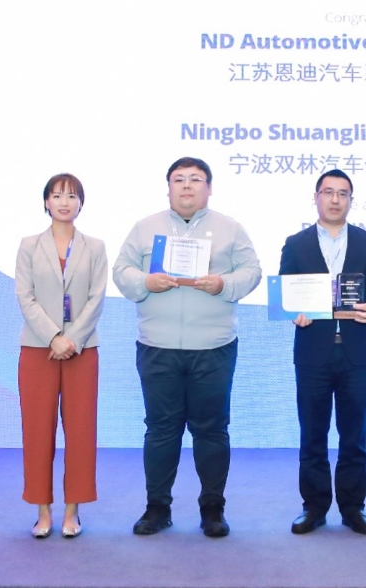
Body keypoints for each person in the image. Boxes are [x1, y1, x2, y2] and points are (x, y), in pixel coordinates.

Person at [113, 157, 261, 538]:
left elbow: (252, 271)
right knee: (160, 430)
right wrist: (146, 281)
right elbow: (121, 270)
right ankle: (156, 508)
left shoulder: (230, 228)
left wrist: (223, 284)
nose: (187, 186)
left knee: (211, 431)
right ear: (168, 188)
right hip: (157, 346)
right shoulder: (145, 227)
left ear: (209, 188)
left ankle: (213, 509)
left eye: (196, 179)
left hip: (213, 348)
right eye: (178, 179)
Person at [278, 169, 366, 535]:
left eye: (343, 193)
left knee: (354, 435)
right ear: (316, 197)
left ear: (350, 201)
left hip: (356, 354)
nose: (335, 199)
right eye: (328, 192)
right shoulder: (295, 244)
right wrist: (293, 311)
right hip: (313, 353)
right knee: (312, 435)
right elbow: (285, 292)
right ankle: (313, 507)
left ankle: (353, 508)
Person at [15, 173, 108, 539]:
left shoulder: (95, 247)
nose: (64, 202)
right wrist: (53, 337)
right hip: (38, 348)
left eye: (71, 196)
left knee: (81, 430)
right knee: (38, 431)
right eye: (57, 195)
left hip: (81, 350)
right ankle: (42, 511)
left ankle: (73, 511)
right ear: (46, 202)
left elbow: (96, 299)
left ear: (81, 203)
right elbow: (25, 296)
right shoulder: (29, 245)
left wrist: (71, 339)